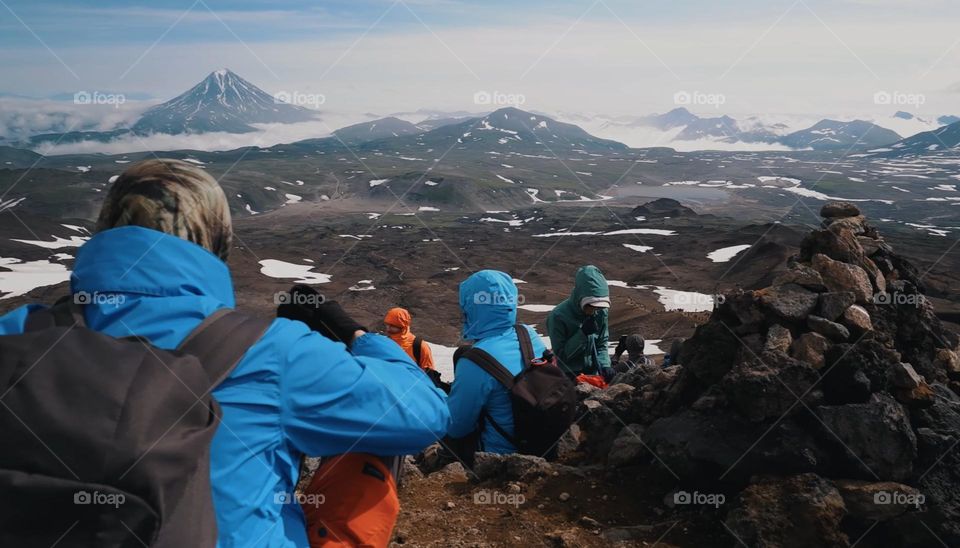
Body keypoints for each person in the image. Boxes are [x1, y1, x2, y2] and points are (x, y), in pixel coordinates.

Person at [0, 159, 450, 548]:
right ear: (215, 240)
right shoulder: (269, 351)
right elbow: (424, 415)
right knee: (372, 445)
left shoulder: (17, 334)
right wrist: (355, 335)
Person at [445, 270, 547, 455]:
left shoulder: (474, 362)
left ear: (471, 308)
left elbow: (456, 427)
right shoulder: (527, 334)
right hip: (545, 441)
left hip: (498, 456)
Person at [546, 265, 612, 379]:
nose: (595, 310)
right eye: (591, 305)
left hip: (594, 374)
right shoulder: (557, 317)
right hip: (568, 376)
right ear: (580, 298)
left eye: (599, 307)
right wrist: (582, 334)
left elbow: (601, 343)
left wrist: (605, 365)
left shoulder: (602, 312)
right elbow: (561, 356)